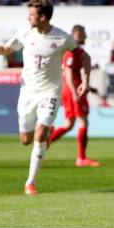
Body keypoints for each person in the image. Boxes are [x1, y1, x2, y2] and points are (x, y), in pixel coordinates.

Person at [0, 0, 77, 195]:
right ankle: (44, 134)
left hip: (50, 91)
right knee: (25, 140)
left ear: (43, 17)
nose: (28, 18)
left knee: (40, 133)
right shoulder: (25, 33)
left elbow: (80, 54)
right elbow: (5, 49)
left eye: (31, 15)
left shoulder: (62, 37)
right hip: (28, 92)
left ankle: (30, 183)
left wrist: (83, 76)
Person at [48, 25, 100, 167]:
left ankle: (45, 142)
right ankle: (81, 158)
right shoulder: (71, 51)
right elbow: (69, 72)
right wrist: (73, 92)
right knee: (83, 122)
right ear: (77, 34)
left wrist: (89, 87)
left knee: (69, 124)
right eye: (84, 33)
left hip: (72, 89)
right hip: (74, 90)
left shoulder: (73, 50)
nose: (86, 36)